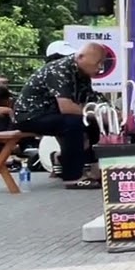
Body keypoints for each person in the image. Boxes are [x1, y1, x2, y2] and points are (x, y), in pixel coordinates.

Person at [13, 43, 106, 188]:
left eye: (102, 63)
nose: (100, 67)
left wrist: (107, 112)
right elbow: (67, 107)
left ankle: (89, 169)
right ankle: (73, 177)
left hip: (53, 115)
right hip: (31, 115)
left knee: (92, 123)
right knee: (73, 124)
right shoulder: (60, 69)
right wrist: (96, 113)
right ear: (81, 57)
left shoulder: (83, 73)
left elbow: (90, 101)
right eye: (97, 63)